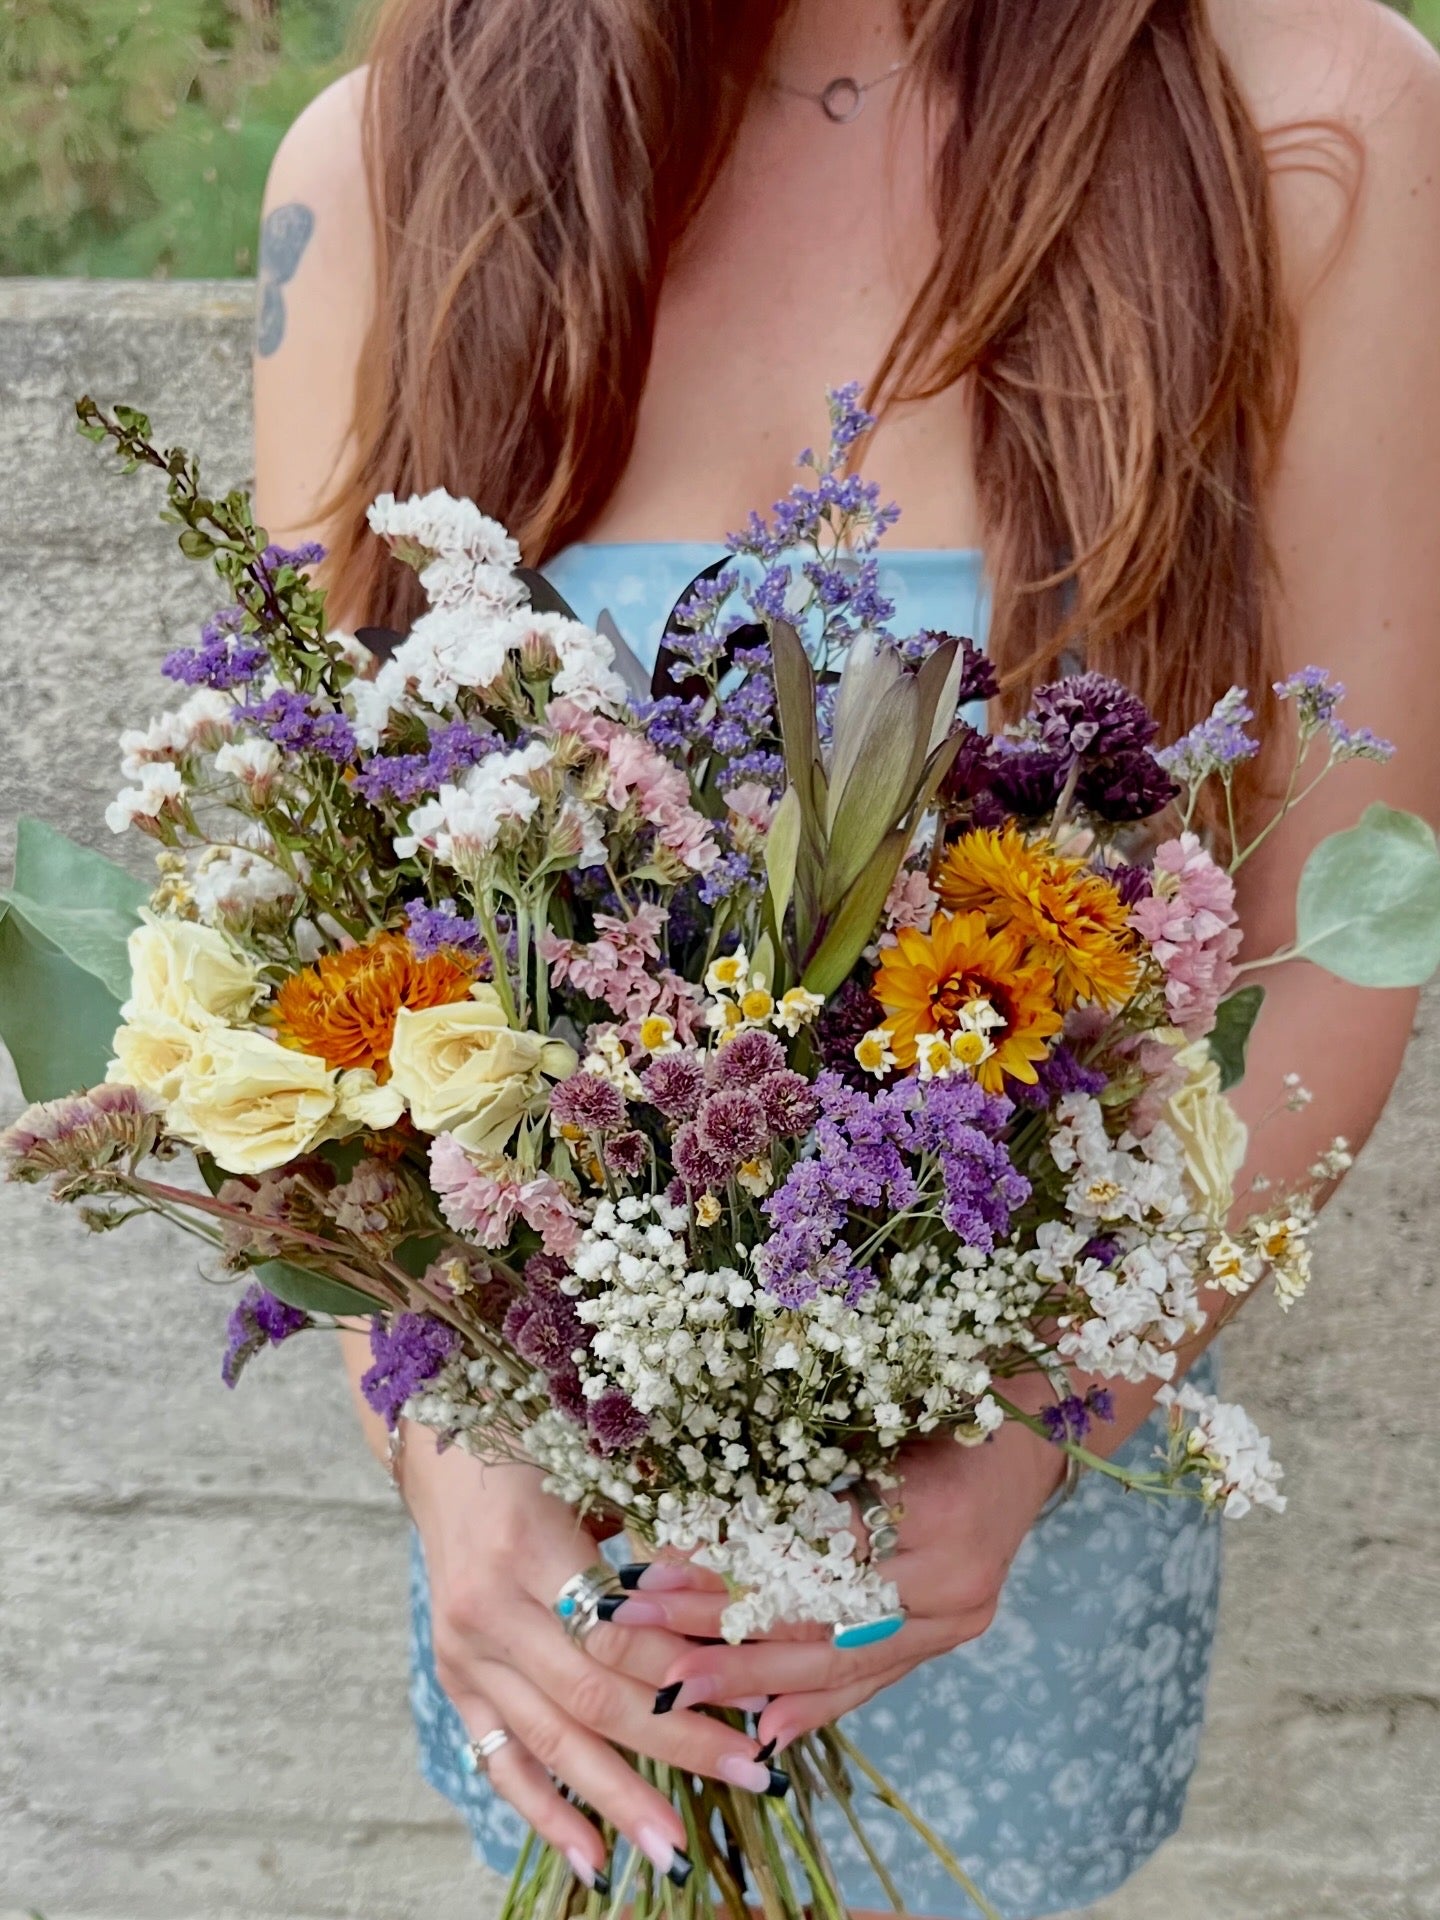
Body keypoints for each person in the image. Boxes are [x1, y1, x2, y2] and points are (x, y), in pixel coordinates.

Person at [252, 2, 1440, 1912]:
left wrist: (1045, 1429)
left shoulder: (1316, 121)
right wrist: (446, 1457)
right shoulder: (396, 150)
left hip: (1017, 1534)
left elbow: (1338, 934)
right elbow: (316, 931)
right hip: (564, 1576)